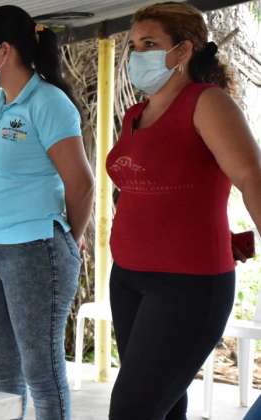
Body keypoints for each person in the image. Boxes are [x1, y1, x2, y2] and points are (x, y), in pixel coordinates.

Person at [107, 3, 261, 419]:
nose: (138, 54)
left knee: (131, 409)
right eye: (134, 45)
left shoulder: (208, 104)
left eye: (150, 44)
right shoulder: (134, 114)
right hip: (128, 278)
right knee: (165, 405)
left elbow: (252, 179)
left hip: (188, 285)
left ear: (183, 50)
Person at [0, 5, 94, 420]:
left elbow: (81, 183)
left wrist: (68, 237)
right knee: (4, 370)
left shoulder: (48, 102)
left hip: (33, 248)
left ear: (3, 51)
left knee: (40, 371)